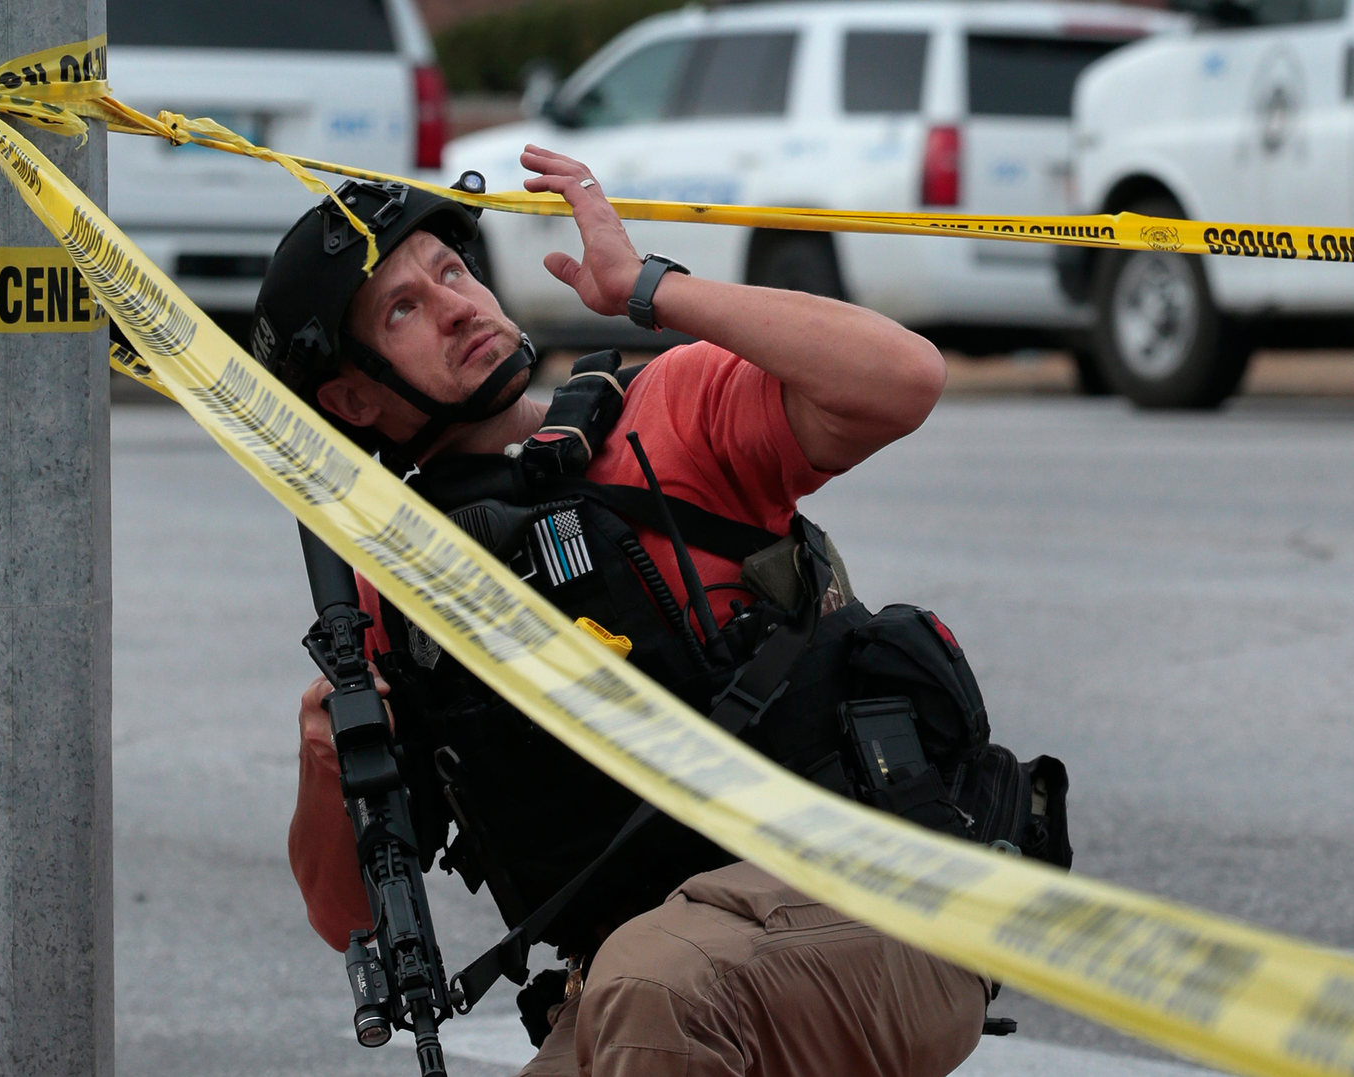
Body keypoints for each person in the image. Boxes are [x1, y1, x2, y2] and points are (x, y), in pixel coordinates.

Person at [263, 146, 998, 1077]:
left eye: (451, 270)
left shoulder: (669, 410)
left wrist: (648, 286)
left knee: (652, 986)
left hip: (879, 906)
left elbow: (905, 379)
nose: (456, 305)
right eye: (404, 309)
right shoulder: (394, 600)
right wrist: (327, 758)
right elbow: (347, 915)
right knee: (644, 987)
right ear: (351, 396)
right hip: (657, 975)